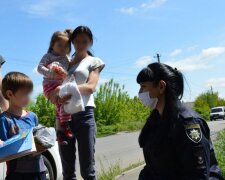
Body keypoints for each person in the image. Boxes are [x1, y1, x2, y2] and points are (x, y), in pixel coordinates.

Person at [136, 63, 224, 180]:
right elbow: (155, 167)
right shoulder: (156, 121)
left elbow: (197, 175)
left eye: (143, 86)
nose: (139, 93)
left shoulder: (188, 123)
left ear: (161, 86)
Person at [49, 26, 105, 180]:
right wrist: (53, 95)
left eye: (85, 42)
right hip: (63, 115)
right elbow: (52, 84)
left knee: (87, 171)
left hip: (84, 115)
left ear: (90, 42)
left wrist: (64, 90)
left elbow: (90, 87)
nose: (80, 45)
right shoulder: (64, 62)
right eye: (77, 41)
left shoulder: (94, 61)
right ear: (72, 42)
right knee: (67, 171)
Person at [0, 72, 47, 180]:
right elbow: (4, 150)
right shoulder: (4, 119)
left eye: (29, 93)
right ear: (10, 94)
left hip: (39, 171)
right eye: (25, 93)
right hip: (17, 174)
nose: (28, 97)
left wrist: (43, 144)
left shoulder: (32, 116)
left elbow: (38, 140)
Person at [37, 31, 75, 144]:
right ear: (52, 45)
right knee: (61, 100)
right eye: (59, 45)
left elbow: (69, 72)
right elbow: (39, 68)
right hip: (50, 86)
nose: (63, 48)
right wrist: (49, 72)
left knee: (61, 106)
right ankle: (65, 126)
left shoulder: (67, 58)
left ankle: (60, 132)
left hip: (61, 85)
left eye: (66, 46)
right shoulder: (49, 56)